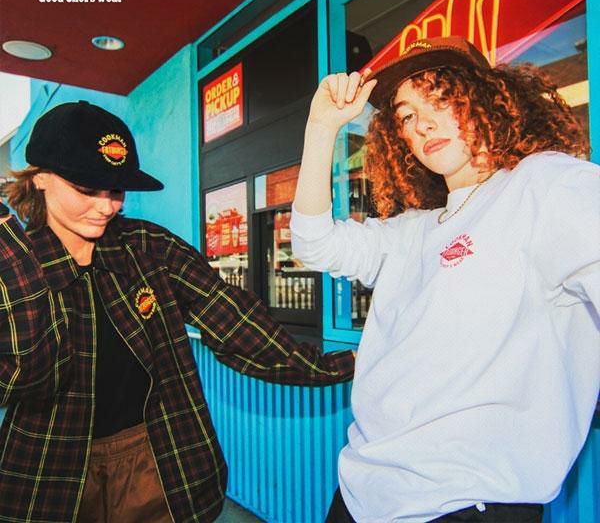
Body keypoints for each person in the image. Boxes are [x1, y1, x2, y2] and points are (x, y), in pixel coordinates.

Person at [291, 35, 600, 522]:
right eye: (406, 116)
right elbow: (313, 243)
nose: (423, 123)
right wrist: (321, 127)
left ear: (486, 99)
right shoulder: (414, 229)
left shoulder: (546, 186)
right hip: (362, 491)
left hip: (464, 502)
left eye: (439, 98)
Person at [0, 100, 355, 523]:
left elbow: (234, 323)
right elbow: (22, 378)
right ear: (39, 178)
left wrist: (338, 364)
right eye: (87, 189)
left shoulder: (150, 248)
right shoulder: (16, 268)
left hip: (157, 460)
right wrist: (19, 276)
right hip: (50, 472)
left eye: (116, 190)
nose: (107, 206)